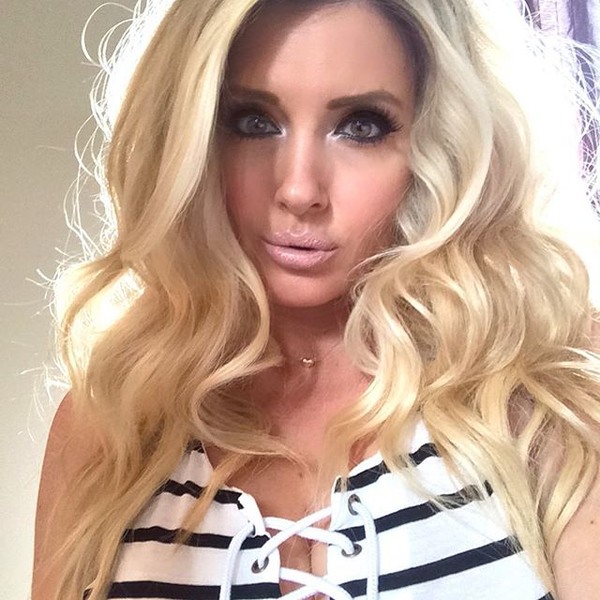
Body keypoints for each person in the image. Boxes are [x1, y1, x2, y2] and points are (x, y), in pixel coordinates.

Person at [33, 0, 600, 598]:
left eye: (361, 126)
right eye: (253, 122)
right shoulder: (111, 427)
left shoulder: (551, 398)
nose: (299, 189)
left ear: (439, 142)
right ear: (189, 139)